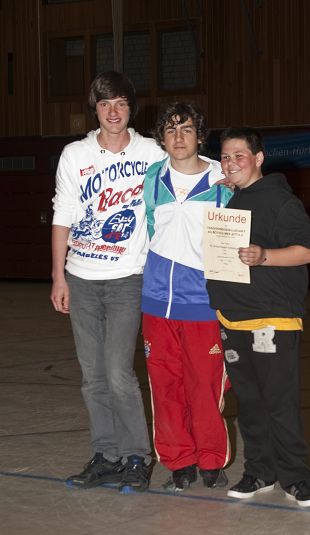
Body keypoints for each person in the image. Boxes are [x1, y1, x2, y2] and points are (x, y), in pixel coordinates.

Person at [50, 71, 165, 493]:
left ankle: (136, 456)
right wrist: (58, 275)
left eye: (120, 103)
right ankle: (106, 454)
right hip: (81, 278)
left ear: (131, 108)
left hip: (127, 278)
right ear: (94, 109)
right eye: (104, 104)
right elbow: (62, 214)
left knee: (118, 372)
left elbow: (190, 171)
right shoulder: (75, 154)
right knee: (92, 376)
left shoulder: (151, 152)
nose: (113, 112)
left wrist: (224, 175)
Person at [205, 127, 310, 507]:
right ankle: (260, 471)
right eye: (225, 157)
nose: (230, 163)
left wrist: (264, 256)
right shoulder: (229, 200)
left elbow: (309, 251)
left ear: (258, 158)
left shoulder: (281, 201)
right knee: (250, 404)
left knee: (280, 403)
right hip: (234, 317)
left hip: (273, 319)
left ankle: (297, 478)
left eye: (239, 155)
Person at [141, 102, 233, 492]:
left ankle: (211, 460)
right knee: (165, 386)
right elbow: (148, 229)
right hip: (156, 301)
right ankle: (179, 461)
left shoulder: (222, 179)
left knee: (205, 385)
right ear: (161, 138)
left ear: (200, 136)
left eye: (187, 129)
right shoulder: (152, 178)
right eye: (171, 130)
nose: (179, 137)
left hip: (204, 301)